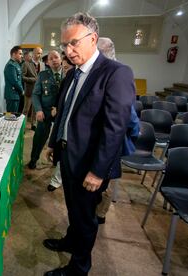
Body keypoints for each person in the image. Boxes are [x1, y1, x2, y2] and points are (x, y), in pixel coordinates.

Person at [44, 13, 134, 276]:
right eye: (64, 45)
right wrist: (53, 143)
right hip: (67, 153)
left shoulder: (116, 73)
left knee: (85, 218)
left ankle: (79, 267)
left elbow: (115, 128)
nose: (68, 51)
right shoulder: (73, 74)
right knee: (73, 208)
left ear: (93, 38)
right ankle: (70, 242)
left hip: (89, 163)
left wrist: (98, 171)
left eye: (73, 43)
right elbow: (64, 112)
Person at [95, 37, 140, 224]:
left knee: (104, 183)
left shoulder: (117, 73)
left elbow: (129, 119)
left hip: (110, 143)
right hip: (97, 142)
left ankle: (100, 214)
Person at [27, 50, 62, 170]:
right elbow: (35, 94)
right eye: (51, 58)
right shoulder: (43, 75)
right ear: (47, 62)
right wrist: (38, 110)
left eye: (56, 57)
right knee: (39, 138)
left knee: (59, 139)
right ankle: (33, 160)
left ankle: (56, 163)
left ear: (61, 58)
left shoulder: (69, 74)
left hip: (60, 113)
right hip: (45, 112)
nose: (54, 60)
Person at [47, 55, 74, 192]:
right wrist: (55, 107)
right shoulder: (66, 80)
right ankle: (56, 180)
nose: (66, 70)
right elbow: (60, 97)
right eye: (64, 68)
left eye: (67, 67)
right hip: (62, 126)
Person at [4, 46, 23, 112]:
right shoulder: (10, 65)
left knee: (14, 117)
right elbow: (15, 81)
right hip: (12, 95)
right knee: (11, 117)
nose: (21, 56)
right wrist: (22, 90)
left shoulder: (16, 64)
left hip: (15, 95)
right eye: (20, 54)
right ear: (14, 54)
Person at [22, 50, 38, 130]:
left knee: (35, 110)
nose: (31, 57)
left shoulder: (33, 64)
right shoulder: (25, 64)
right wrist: (33, 79)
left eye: (31, 56)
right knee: (26, 110)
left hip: (36, 91)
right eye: (29, 56)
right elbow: (23, 77)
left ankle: (33, 124)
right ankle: (23, 126)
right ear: (25, 57)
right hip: (29, 90)